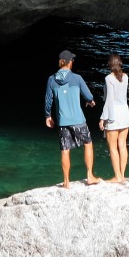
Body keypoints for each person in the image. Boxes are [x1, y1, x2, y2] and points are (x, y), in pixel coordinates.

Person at [44, 50, 98, 187]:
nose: (73, 62)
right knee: (88, 143)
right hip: (78, 120)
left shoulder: (51, 79)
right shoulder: (77, 78)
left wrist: (47, 116)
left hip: (63, 121)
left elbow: (48, 100)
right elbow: (89, 96)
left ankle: (66, 182)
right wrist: (90, 101)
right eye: (72, 60)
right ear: (68, 62)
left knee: (65, 149)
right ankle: (90, 176)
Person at [99, 53, 129, 182]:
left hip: (114, 114)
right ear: (120, 63)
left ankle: (117, 176)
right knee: (122, 145)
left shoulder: (109, 78)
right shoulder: (126, 77)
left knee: (113, 147)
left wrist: (103, 118)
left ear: (109, 64)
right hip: (125, 113)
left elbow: (109, 100)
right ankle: (122, 175)